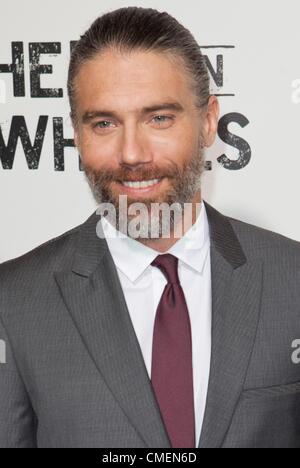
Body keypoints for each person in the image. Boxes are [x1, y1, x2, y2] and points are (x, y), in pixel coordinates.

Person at [0, 6, 300, 448]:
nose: (132, 153)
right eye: (104, 123)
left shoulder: (291, 280)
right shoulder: (14, 303)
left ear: (208, 120)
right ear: (78, 137)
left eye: (159, 118)